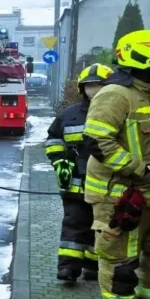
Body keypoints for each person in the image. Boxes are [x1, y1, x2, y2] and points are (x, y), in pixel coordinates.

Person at [83, 30, 150, 299]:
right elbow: (97, 140)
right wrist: (137, 168)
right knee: (119, 258)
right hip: (120, 196)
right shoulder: (116, 94)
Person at [45, 63, 113, 283]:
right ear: (82, 88)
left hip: (105, 186)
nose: (94, 90)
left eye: (99, 85)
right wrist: (60, 163)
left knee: (101, 228)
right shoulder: (70, 114)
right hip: (74, 184)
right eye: (89, 85)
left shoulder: (117, 113)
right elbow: (54, 140)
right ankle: (68, 269)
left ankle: (93, 267)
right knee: (73, 226)